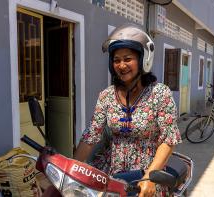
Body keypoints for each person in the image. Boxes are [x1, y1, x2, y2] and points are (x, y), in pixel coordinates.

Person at [74, 24, 182, 197]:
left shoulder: (160, 93)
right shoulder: (106, 95)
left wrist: (150, 178)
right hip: (111, 169)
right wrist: (72, 168)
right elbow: (91, 135)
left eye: (127, 59)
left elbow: (169, 140)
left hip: (148, 172)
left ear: (142, 59)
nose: (121, 65)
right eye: (116, 60)